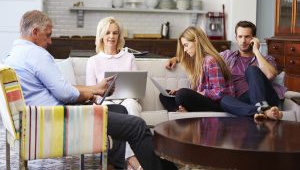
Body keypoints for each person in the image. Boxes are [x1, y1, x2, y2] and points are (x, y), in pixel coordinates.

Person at [3, 10, 177, 170]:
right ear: (34, 32)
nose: (50, 41)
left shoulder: (12, 56)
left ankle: (125, 163)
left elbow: (59, 89)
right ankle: (157, 167)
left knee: (122, 109)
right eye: (47, 35)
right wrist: (93, 91)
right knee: (137, 125)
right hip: (60, 119)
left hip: (39, 118)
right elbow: (65, 93)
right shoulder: (36, 54)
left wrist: (94, 90)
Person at [166, 21, 285, 120]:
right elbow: (205, 56)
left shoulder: (266, 59)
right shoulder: (227, 56)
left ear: (254, 38)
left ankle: (264, 107)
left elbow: (270, 75)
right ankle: (260, 112)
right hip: (240, 101)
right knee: (225, 100)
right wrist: (176, 59)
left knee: (251, 70)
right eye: (240, 36)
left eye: (247, 37)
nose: (243, 41)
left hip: (264, 97)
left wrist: (256, 52)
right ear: (236, 38)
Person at [86, 17, 142, 169]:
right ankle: (131, 160)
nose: (111, 36)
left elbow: (137, 89)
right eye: (108, 33)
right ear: (101, 36)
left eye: (115, 33)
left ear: (119, 35)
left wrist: (131, 95)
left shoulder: (129, 57)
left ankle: (130, 157)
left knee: (131, 103)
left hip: (127, 99)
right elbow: (91, 92)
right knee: (116, 109)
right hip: (106, 102)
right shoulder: (93, 61)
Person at [159, 26, 234, 113]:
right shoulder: (196, 61)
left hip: (219, 105)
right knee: (164, 95)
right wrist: (175, 59)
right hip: (205, 102)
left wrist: (194, 93)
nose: (185, 50)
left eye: (186, 45)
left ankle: (184, 112)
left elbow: (219, 93)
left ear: (196, 41)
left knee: (182, 94)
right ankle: (182, 111)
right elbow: (182, 58)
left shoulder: (210, 60)